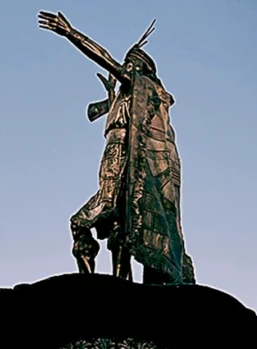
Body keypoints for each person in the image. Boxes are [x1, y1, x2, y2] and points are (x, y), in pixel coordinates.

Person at [39, 11, 195, 284]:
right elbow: (93, 112)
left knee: (89, 219)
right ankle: (117, 283)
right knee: (118, 226)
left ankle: (92, 284)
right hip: (113, 151)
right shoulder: (128, 96)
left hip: (121, 154)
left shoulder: (144, 88)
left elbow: (106, 59)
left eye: (131, 64)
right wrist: (111, 98)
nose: (126, 68)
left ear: (142, 69)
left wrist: (71, 33)